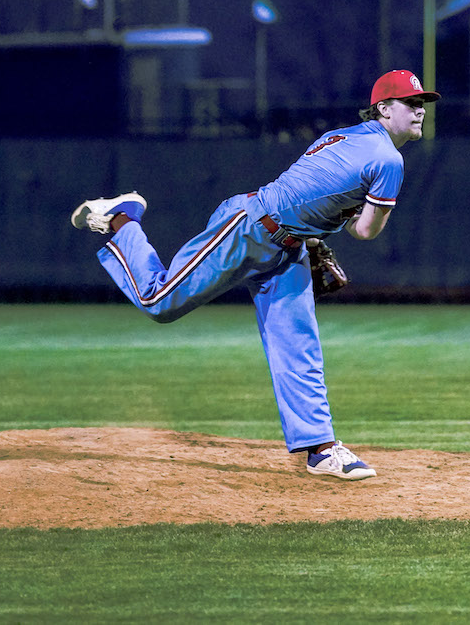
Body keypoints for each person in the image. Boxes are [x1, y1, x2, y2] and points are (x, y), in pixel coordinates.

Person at [70, 70, 440, 480]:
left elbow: (307, 192)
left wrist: (316, 236)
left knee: (298, 343)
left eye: (422, 103)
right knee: (160, 302)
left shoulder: (340, 136)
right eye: (411, 103)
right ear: (384, 108)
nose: (419, 110)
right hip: (248, 228)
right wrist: (347, 217)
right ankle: (124, 218)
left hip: (288, 244)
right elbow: (366, 231)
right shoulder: (389, 159)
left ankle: (320, 449)